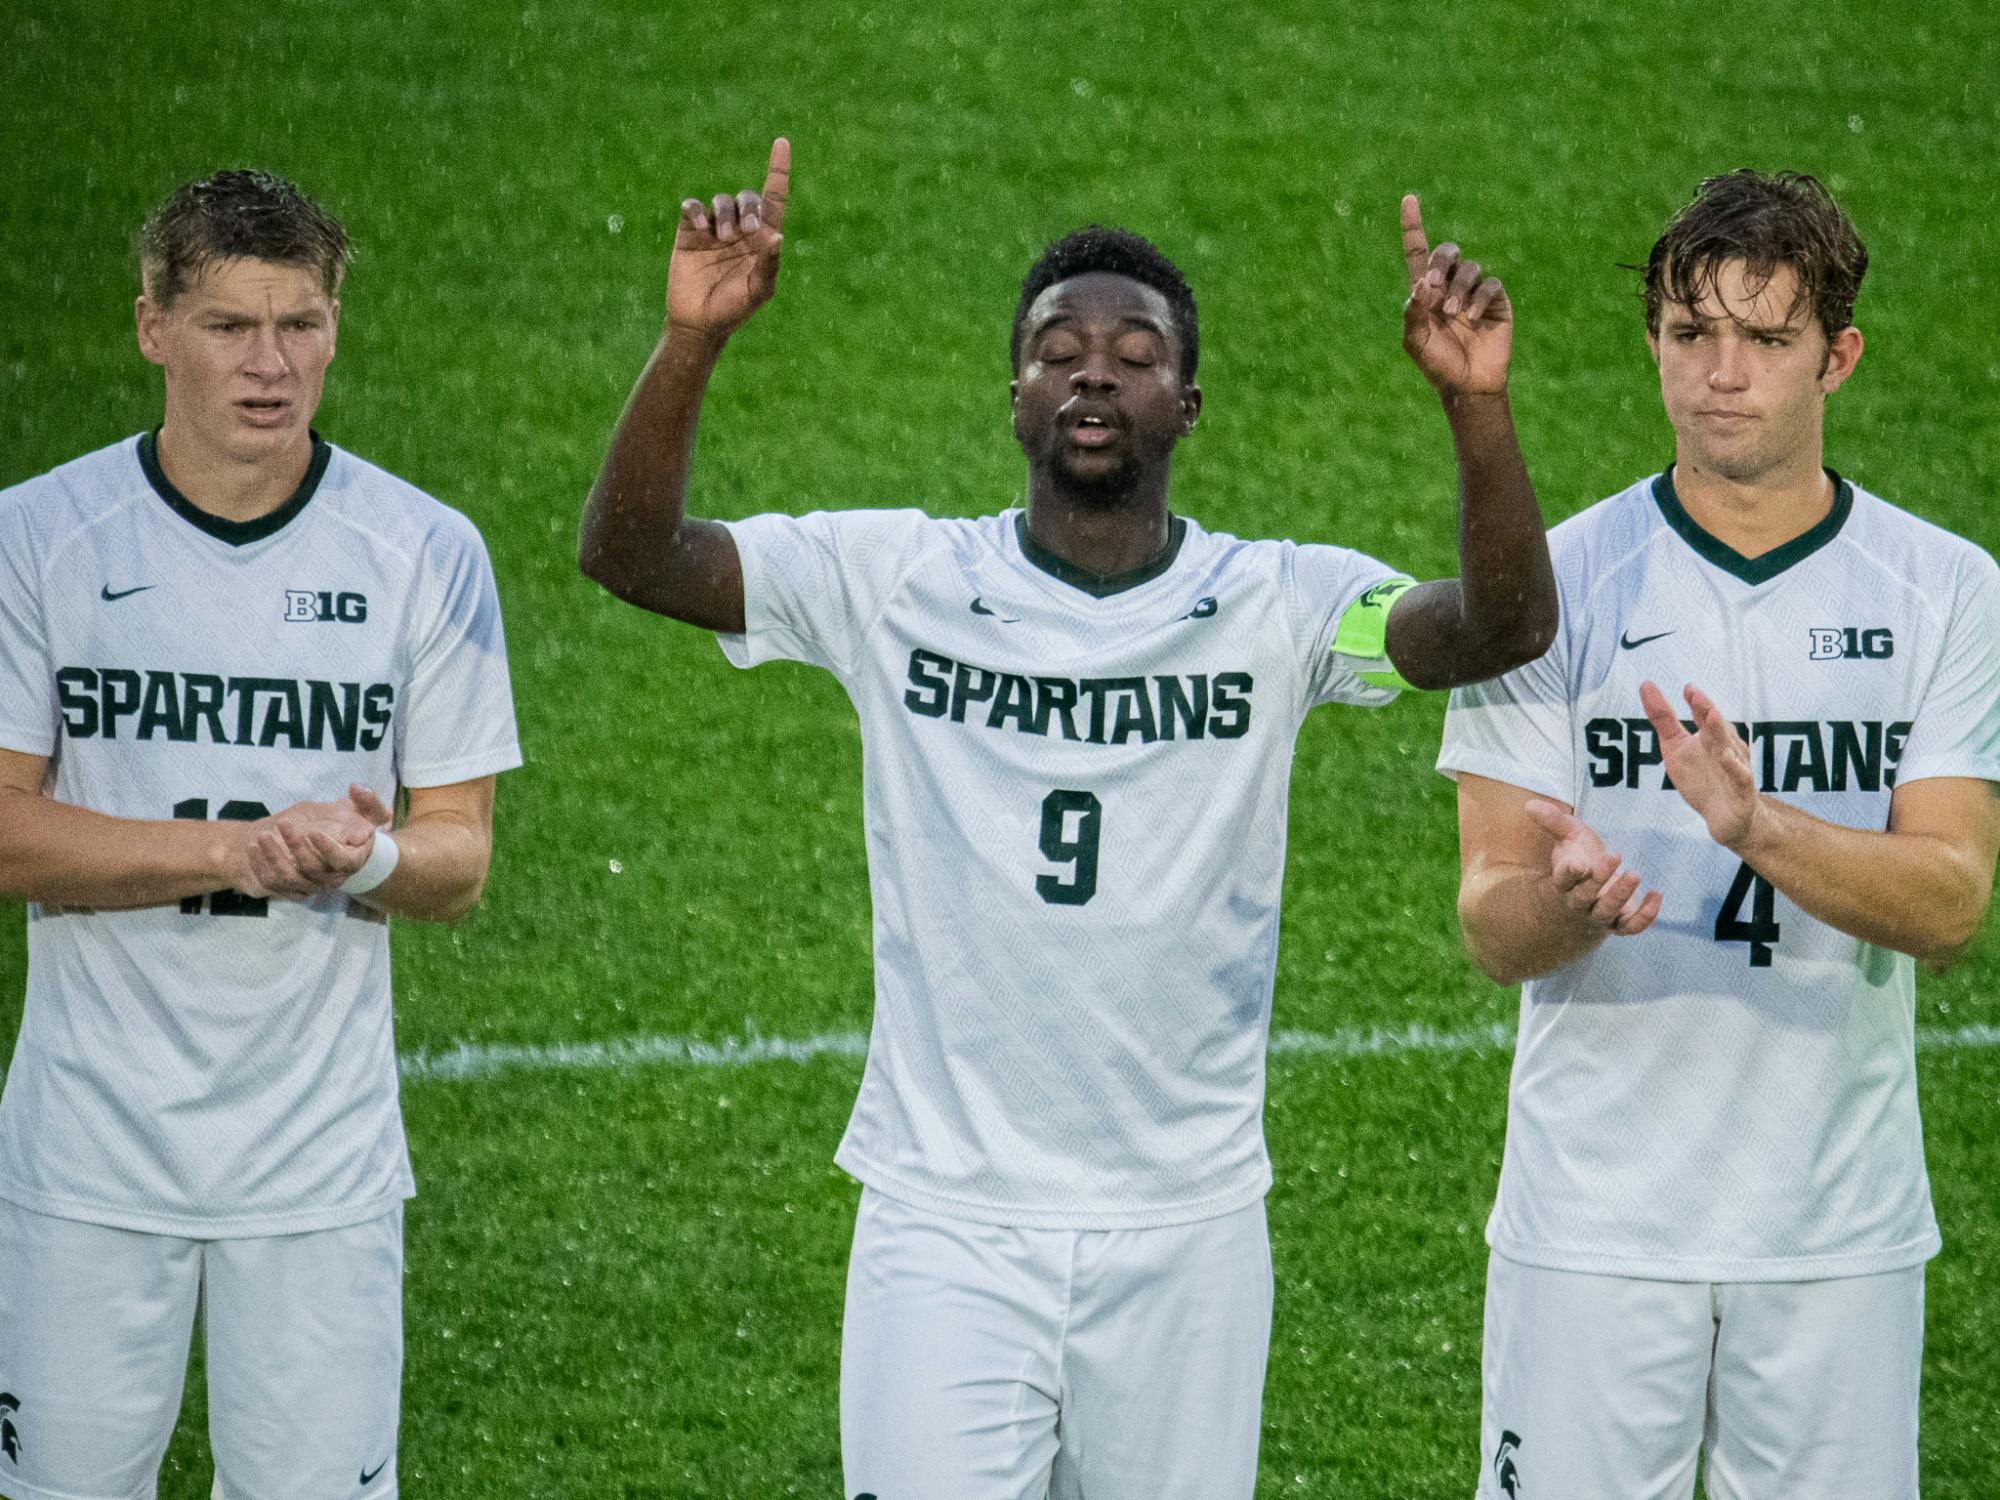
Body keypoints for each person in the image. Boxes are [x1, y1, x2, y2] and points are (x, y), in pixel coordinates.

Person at [579, 138, 1556, 1499]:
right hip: (943, 1222)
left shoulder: (1276, 602)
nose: (1095, 369)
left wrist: (1476, 411)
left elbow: (1502, 627)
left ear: (1191, 402)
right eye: (1059, 347)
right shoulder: (896, 576)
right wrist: (692, 339)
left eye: (1136, 351)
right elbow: (631, 553)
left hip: (1187, 1230)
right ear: (1017, 397)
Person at [1441, 169, 2000, 1500]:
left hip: (1835, 1238)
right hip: (1592, 1230)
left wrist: (1753, 824)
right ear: (1654, 347)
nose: (1721, 375)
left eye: (1766, 339)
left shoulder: (1946, 591)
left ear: (1839, 358)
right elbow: (1489, 918)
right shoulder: (1545, 586)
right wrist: (1566, 903)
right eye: (1692, 336)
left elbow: (1951, 904)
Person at [0, 169, 521, 1499]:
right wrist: (233, 854)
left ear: (338, 324)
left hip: (320, 1168)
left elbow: (458, 860)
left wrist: (371, 860)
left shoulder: (427, 551)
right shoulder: (35, 539)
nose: (271, 363)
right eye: (231, 326)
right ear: (150, 328)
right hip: (84, 1157)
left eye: (300, 323)